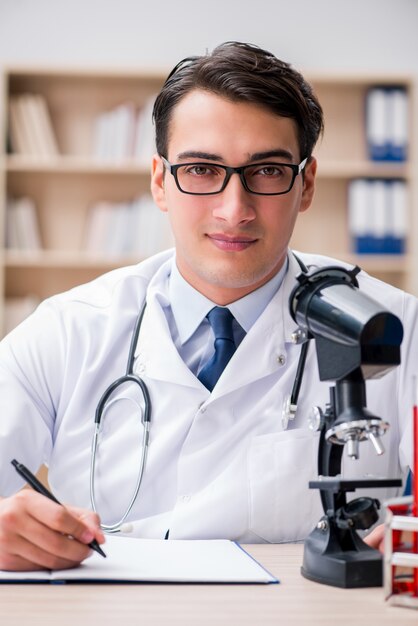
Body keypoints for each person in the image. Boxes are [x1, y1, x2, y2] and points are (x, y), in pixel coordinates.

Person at [0, 41, 416, 571]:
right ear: (160, 181)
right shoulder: (67, 330)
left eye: (267, 171)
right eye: (201, 169)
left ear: (305, 184)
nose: (233, 209)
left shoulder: (394, 325)